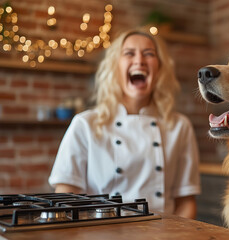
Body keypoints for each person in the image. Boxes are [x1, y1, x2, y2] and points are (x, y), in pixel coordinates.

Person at [48, 28, 201, 219]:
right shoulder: (85, 125)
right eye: (129, 53)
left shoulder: (179, 126)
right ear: (114, 67)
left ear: (160, 68)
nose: (139, 61)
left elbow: (186, 202)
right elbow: (65, 194)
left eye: (149, 54)